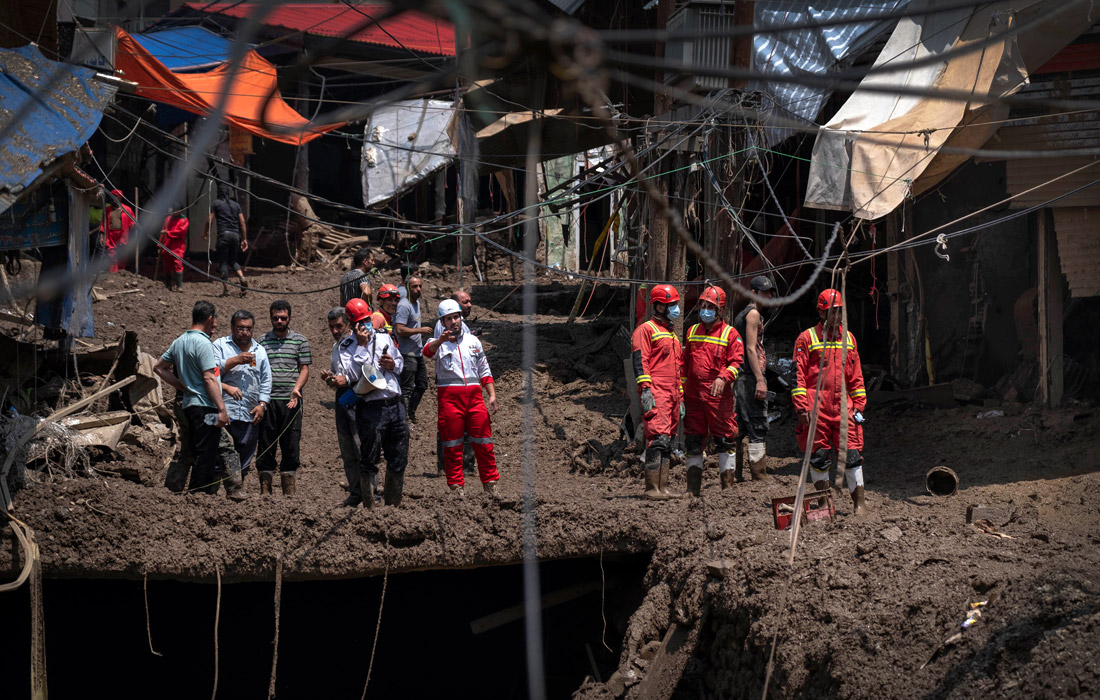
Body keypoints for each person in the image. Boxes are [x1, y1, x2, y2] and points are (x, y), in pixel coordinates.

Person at [792, 289, 868, 515]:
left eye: (840, 311)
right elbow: (798, 375)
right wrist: (801, 407)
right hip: (817, 409)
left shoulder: (849, 338)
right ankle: (824, 504)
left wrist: (859, 405)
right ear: (821, 313)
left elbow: (856, 377)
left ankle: (859, 504)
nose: (837, 316)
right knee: (819, 456)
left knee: (852, 455)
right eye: (832, 312)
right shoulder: (807, 338)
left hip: (844, 409)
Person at [153, 301, 234, 496]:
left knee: (195, 450)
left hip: (188, 406)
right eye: (215, 319)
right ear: (209, 318)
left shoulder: (180, 341)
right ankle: (198, 496)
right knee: (206, 454)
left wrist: (182, 386)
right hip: (205, 407)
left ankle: (189, 493)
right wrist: (222, 409)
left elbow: (159, 367)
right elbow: (209, 378)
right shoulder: (204, 343)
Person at [423, 299, 500, 495]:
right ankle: (456, 488)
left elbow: (484, 370)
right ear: (443, 322)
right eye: (448, 319)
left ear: (460, 318)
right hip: (449, 400)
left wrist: (491, 395)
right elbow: (427, 352)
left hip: (475, 399)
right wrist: (441, 340)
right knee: (452, 444)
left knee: (484, 442)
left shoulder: (473, 341)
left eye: (456, 317)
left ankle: (490, 485)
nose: (453, 322)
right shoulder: (436, 342)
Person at [342, 297, 408, 507]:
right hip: (371, 407)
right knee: (369, 457)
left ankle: (393, 504)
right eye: (361, 322)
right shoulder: (348, 346)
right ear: (353, 325)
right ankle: (370, 505)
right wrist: (361, 347)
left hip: (395, 403)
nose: (366, 325)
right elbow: (350, 374)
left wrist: (393, 363)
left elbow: (400, 363)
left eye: (368, 320)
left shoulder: (384, 338)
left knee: (398, 456)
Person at [682, 285, 745, 496]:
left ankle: (727, 490)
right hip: (693, 397)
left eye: (710, 306)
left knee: (725, 439)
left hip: (718, 398)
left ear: (720, 310)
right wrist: (681, 393)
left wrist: (723, 376)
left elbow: (737, 364)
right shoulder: (692, 332)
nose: (704, 310)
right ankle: (692, 490)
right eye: (702, 305)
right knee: (692, 440)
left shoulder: (731, 334)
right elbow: (685, 365)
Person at [631, 284, 684, 500]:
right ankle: (652, 488)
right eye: (672, 305)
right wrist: (645, 390)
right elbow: (640, 361)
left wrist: (680, 397)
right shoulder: (646, 330)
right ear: (659, 307)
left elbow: (678, 367)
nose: (676, 308)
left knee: (669, 441)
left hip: (671, 393)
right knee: (658, 438)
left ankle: (663, 487)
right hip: (657, 392)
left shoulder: (672, 335)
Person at [257, 300, 312, 496]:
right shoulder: (262, 341)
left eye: (283, 318)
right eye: (276, 318)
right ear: (270, 317)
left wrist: (296, 388)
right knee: (265, 443)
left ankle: (289, 492)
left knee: (291, 444)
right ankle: (265, 490)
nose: (279, 321)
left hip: (291, 401)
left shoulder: (300, 340)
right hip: (268, 401)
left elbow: (304, 369)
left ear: (289, 318)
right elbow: (258, 370)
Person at [213, 310, 271, 486]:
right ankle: (215, 493)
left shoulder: (259, 351)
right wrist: (236, 360)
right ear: (232, 327)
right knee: (219, 455)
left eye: (248, 328)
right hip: (225, 411)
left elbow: (266, 379)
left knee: (245, 454)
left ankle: (238, 490)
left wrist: (262, 404)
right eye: (240, 328)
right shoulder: (220, 345)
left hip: (249, 413)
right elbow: (212, 372)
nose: (244, 332)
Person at [320, 305, 364, 506]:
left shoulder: (359, 342)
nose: (335, 331)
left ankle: (371, 492)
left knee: (361, 445)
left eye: (338, 326)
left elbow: (365, 370)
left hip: (359, 394)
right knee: (346, 446)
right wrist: (329, 377)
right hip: (342, 397)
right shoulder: (336, 347)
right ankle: (356, 492)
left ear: (347, 324)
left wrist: (345, 379)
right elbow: (336, 373)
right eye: (331, 327)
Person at [733, 275, 775, 482]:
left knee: (740, 425)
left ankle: (733, 475)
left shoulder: (743, 315)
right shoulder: (753, 315)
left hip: (741, 376)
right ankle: (759, 476)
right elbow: (750, 349)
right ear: (754, 293)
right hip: (749, 376)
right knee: (757, 424)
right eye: (765, 292)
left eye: (770, 293)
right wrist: (760, 379)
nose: (768, 296)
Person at [394, 275, 432, 422]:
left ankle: (410, 412)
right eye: (415, 286)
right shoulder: (404, 305)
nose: (418, 289)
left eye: (420, 286)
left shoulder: (416, 303)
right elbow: (400, 330)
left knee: (422, 384)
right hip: (407, 352)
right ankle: (402, 418)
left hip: (416, 352)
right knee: (407, 388)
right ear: (407, 288)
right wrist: (420, 331)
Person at [204, 186, 249, 297]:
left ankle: (226, 290)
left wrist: (205, 233)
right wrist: (244, 239)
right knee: (233, 261)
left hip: (224, 235)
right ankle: (241, 277)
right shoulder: (236, 205)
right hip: (235, 235)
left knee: (223, 262)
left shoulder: (216, 204)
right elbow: (242, 223)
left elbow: (209, 220)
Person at [103, 189, 135, 273]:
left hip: (123, 235)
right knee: (112, 255)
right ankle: (113, 274)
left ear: (119, 198)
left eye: (115, 197)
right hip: (111, 235)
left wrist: (133, 226)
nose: (112, 199)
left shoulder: (127, 209)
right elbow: (103, 223)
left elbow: (132, 221)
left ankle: (121, 273)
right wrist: (102, 235)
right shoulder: (107, 210)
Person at [160, 210, 189, 293]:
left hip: (177, 247)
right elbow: (163, 231)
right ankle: (168, 285)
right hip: (167, 245)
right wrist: (159, 246)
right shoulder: (168, 219)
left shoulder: (184, 220)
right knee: (167, 265)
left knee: (178, 264)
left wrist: (168, 233)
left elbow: (180, 232)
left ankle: (179, 286)